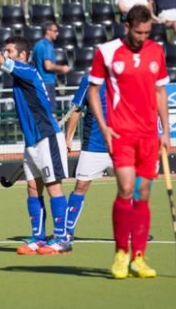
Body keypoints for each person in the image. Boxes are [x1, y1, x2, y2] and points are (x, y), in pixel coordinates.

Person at [0, 24, 70, 255]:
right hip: (32, 141)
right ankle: (38, 238)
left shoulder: (27, 70)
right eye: (6, 51)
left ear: (22, 55)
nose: (6, 55)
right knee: (33, 189)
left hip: (46, 137)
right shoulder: (20, 74)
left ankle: (62, 239)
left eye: (10, 51)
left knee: (54, 186)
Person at [87, 5, 171, 279]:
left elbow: (160, 92)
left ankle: (139, 257)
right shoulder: (107, 52)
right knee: (125, 188)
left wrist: (166, 131)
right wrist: (103, 126)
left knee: (143, 194)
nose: (142, 37)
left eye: (147, 32)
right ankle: (121, 253)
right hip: (121, 133)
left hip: (149, 135)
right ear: (127, 27)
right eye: (138, 32)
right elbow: (93, 89)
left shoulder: (156, 51)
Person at [64, 73, 112, 243]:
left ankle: (134, 230)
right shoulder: (90, 79)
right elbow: (77, 110)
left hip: (121, 145)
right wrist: (67, 138)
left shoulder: (127, 76)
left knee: (131, 188)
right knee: (81, 186)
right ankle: (67, 231)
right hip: (94, 145)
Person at [31, 21, 71, 110]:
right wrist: (62, 68)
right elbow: (48, 66)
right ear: (48, 31)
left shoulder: (38, 45)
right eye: (55, 30)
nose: (57, 33)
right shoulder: (47, 45)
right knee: (50, 112)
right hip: (47, 82)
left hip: (39, 82)